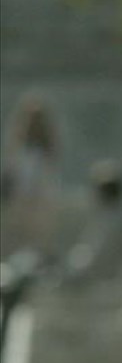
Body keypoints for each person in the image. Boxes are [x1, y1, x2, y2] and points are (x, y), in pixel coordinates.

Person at [0, 93, 62, 260]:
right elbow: (12, 176)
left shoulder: (45, 152)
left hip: (39, 204)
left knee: (37, 244)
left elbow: (46, 180)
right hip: (18, 203)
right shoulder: (18, 150)